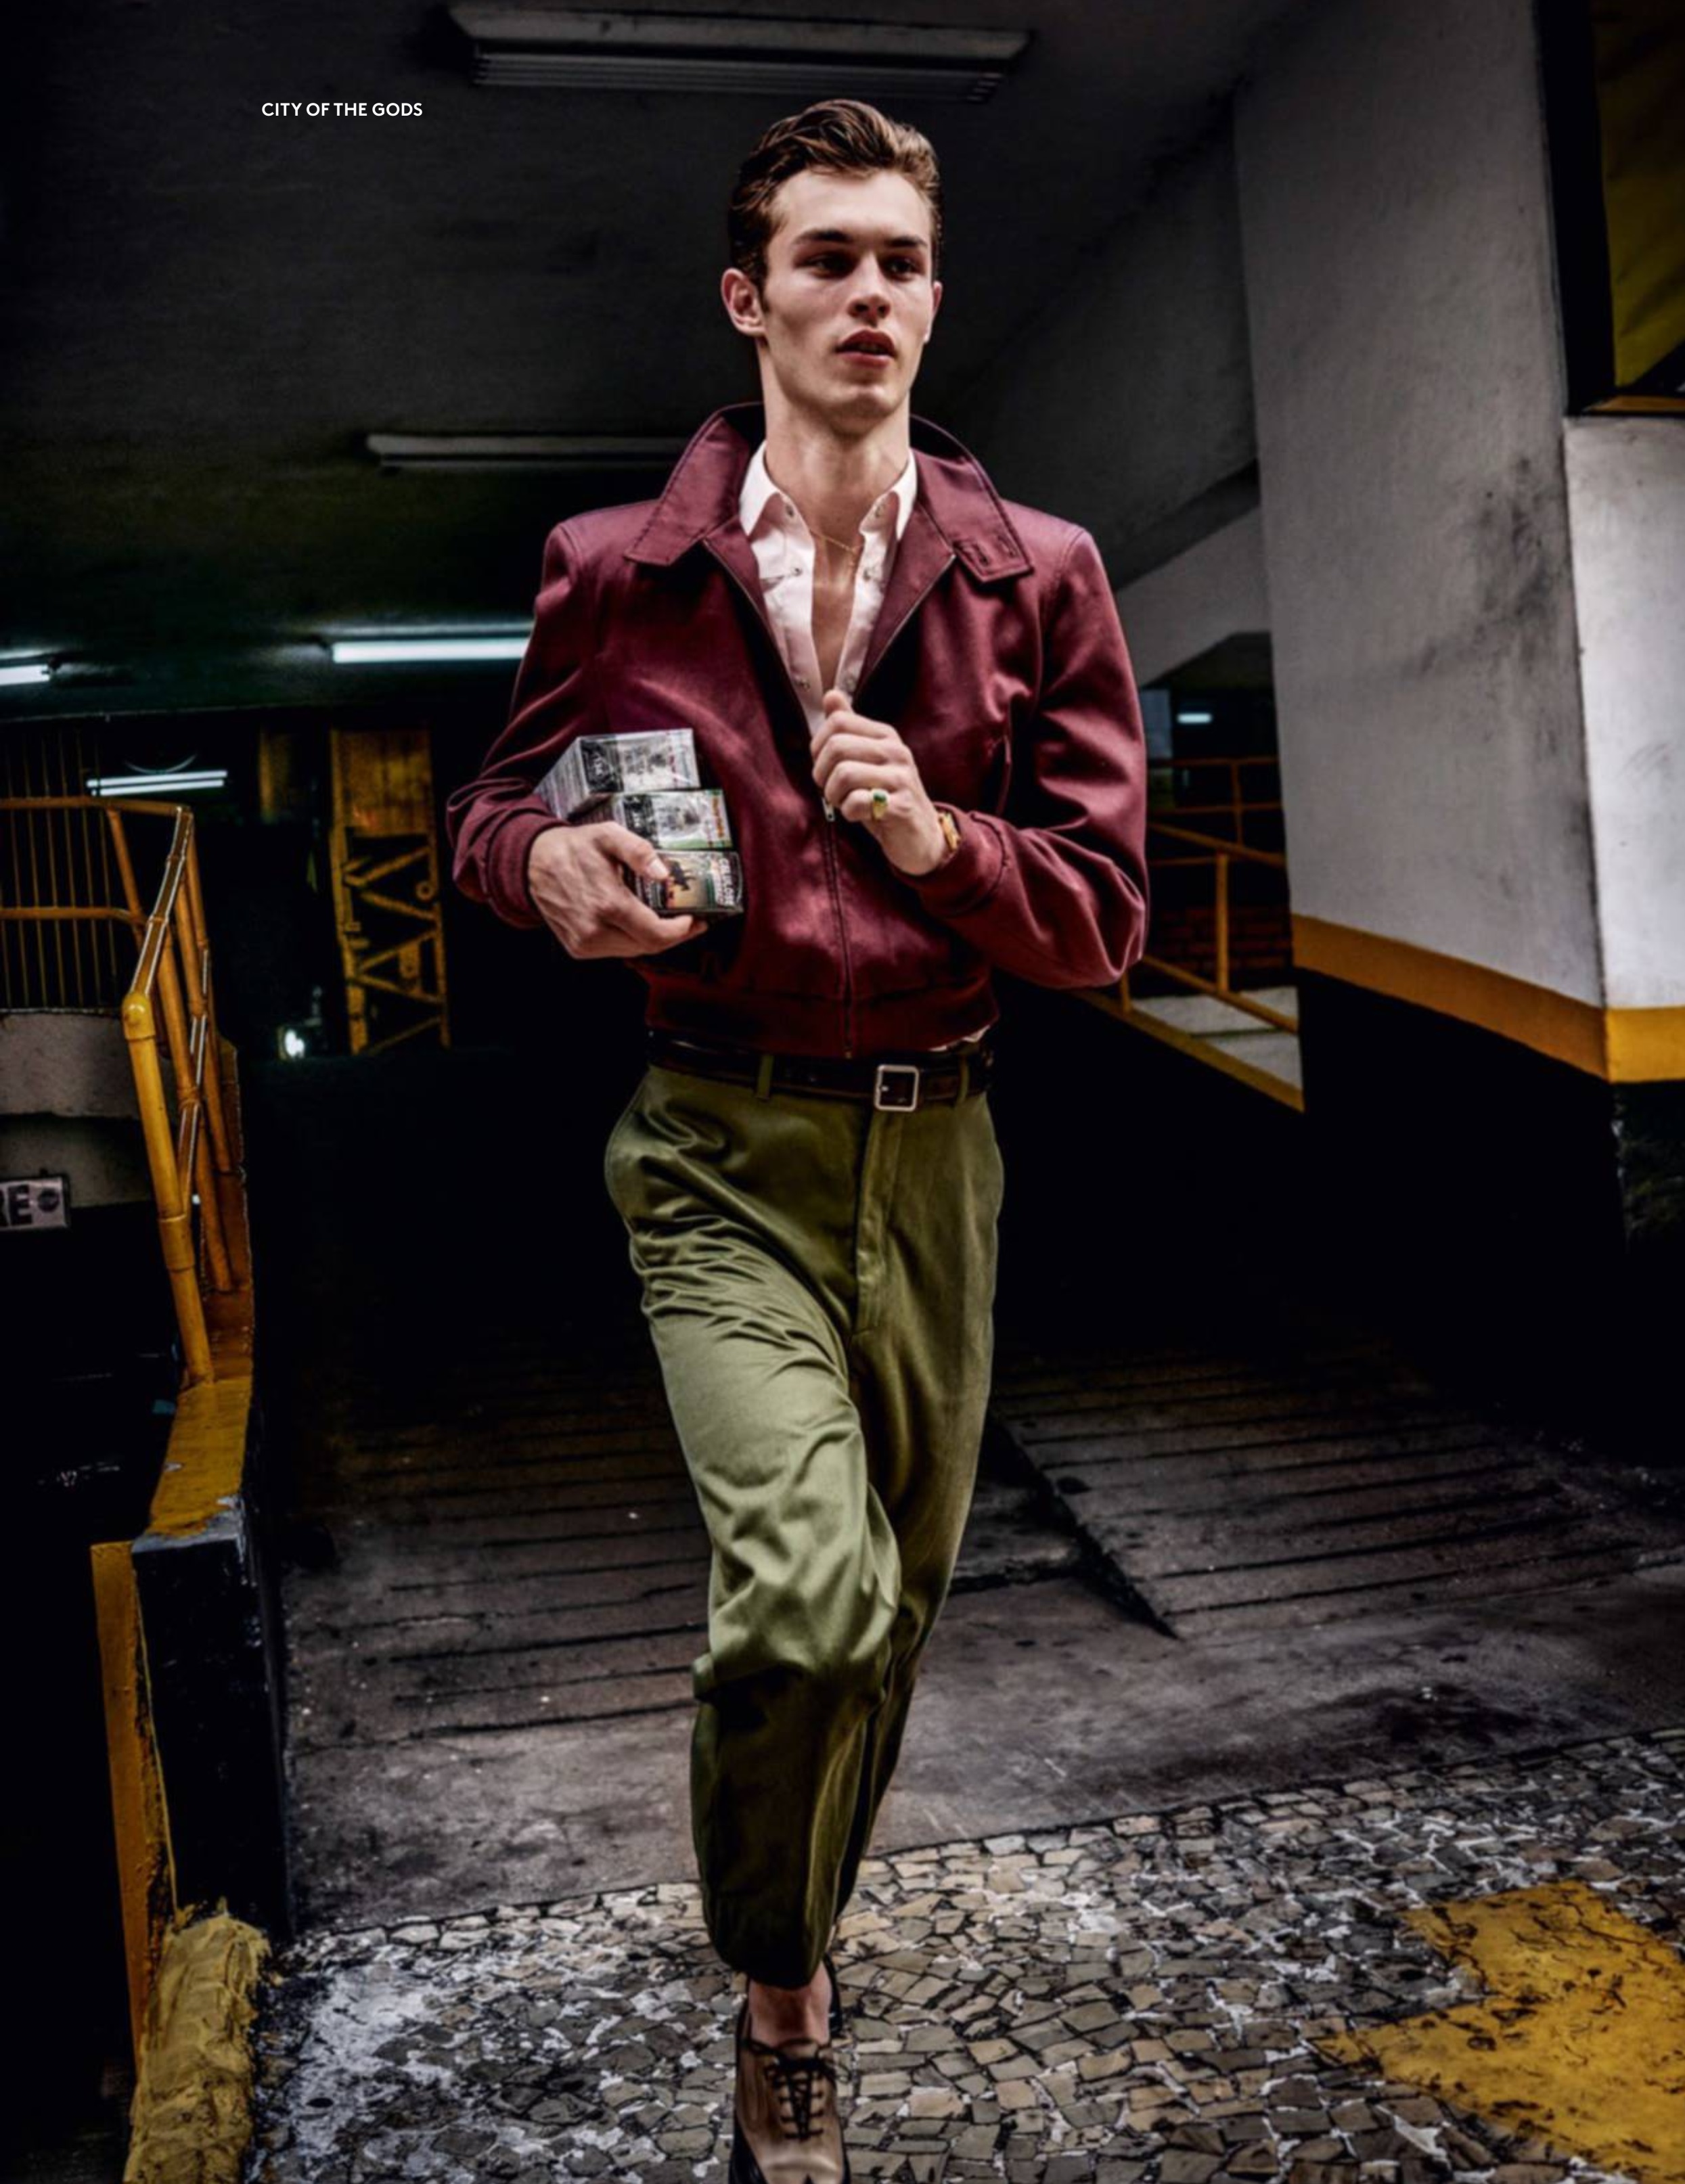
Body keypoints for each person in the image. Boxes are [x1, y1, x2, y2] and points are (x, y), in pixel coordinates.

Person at [446, 96, 1149, 2184]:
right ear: (747, 298)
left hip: (937, 1154)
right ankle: (781, 1994)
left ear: (935, 299)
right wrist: (538, 866)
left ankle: (788, 1921)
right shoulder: (618, 571)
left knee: (891, 1613)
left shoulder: (1037, 576)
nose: (868, 294)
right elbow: (495, 808)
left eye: (899, 261)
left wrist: (938, 841)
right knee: (808, 1603)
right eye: (826, 258)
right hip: (714, 1146)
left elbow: (1106, 917)